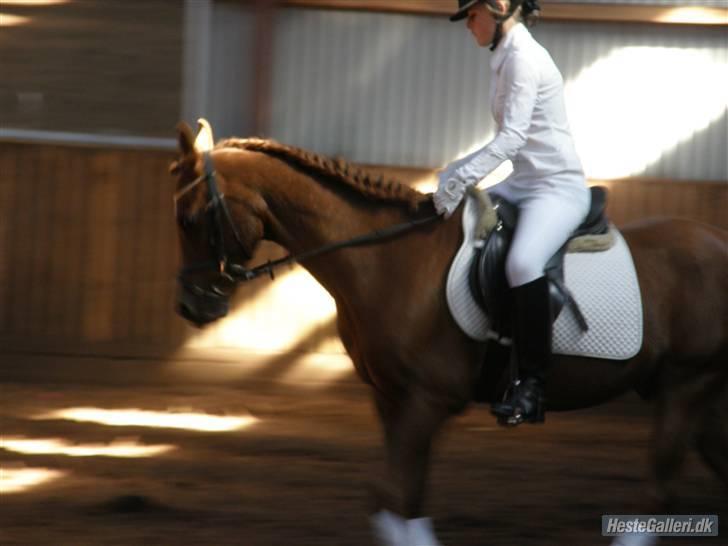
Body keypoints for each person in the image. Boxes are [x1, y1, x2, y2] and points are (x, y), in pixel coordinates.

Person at [433, 0, 590, 425]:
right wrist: (451, 176)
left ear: (500, 7)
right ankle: (493, 353)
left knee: (523, 262)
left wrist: (459, 177)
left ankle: (533, 384)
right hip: (523, 182)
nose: (469, 24)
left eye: (472, 14)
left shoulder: (524, 58)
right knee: (464, 223)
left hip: (556, 189)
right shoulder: (504, 57)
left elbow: (511, 139)